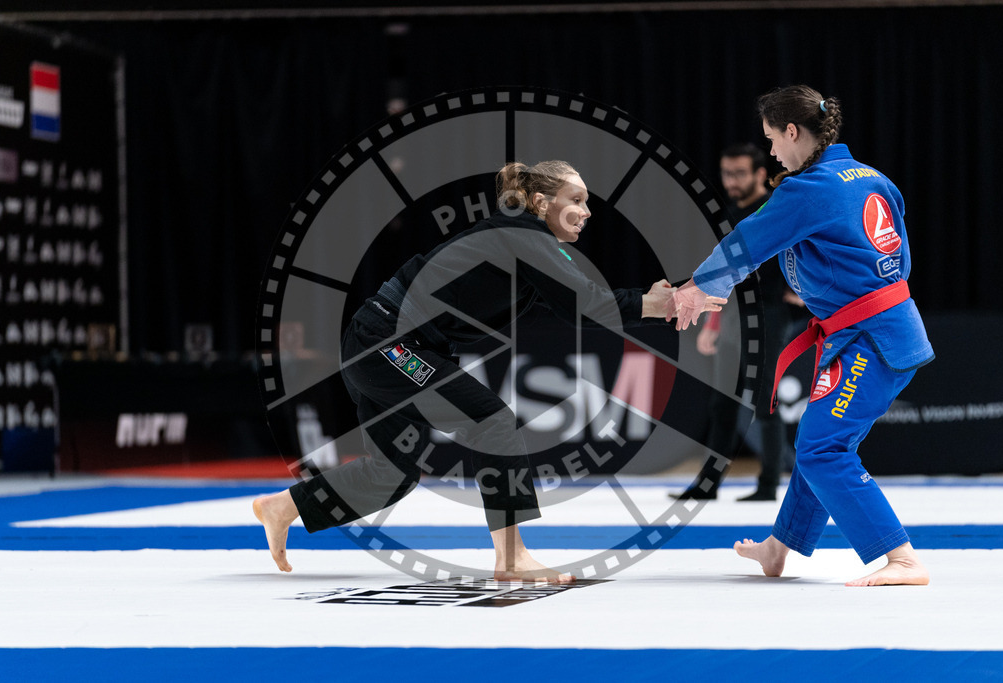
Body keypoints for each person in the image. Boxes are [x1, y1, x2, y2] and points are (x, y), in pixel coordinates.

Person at [254, 160, 724, 583]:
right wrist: (658, 303)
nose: (587, 211)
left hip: (379, 342)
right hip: (385, 345)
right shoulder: (524, 237)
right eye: (576, 200)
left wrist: (659, 304)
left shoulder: (524, 241)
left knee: (390, 476)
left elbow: (575, 306)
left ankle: (284, 506)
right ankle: (512, 558)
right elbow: (589, 305)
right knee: (492, 421)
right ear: (542, 202)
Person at [672, 85, 933, 587]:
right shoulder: (872, 177)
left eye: (772, 139)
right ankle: (780, 546)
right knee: (821, 437)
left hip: (869, 337)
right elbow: (894, 251)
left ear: (793, 132)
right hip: (887, 327)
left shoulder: (808, 188)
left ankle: (902, 558)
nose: (771, 152)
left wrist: (694, 290)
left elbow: (745, 245)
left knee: (822, 449)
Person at [670, 143, 797, 502]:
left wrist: (803, 288)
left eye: (740, 173)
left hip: (769, 314)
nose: (732, 180)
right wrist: (711, 324)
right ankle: (707, 484)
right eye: (727, 173)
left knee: (762, 401)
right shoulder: (727, 213)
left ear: (760, 173)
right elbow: (723, 275)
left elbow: (805, 245)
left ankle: (770, 484)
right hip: (730, 316)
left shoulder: (776, 207)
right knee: (722, 403)